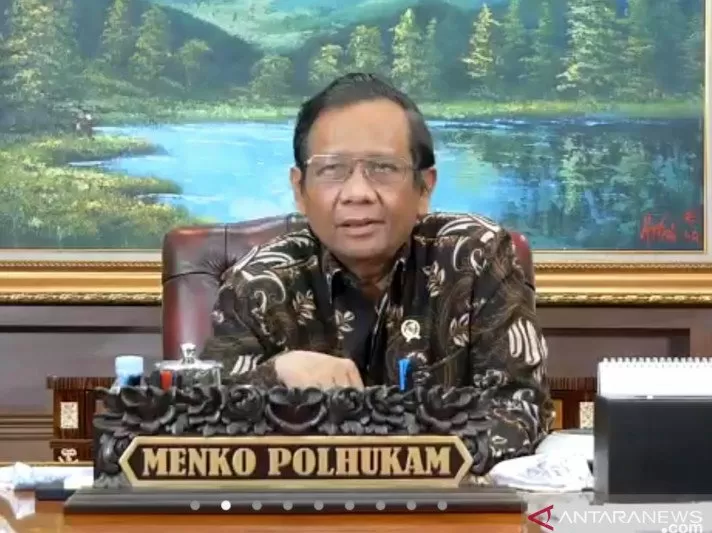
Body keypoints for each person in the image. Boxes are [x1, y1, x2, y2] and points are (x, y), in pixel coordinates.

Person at [201, 72, 553, 460]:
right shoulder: (258, 283)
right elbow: (201, 425)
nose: (358, 193)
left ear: (425, 187)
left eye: (383, 168)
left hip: (443, 498)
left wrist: (384, 458)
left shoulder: (474, 258)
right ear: (299, 190)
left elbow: (520, 415)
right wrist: (276, 374)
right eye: (332, 169)